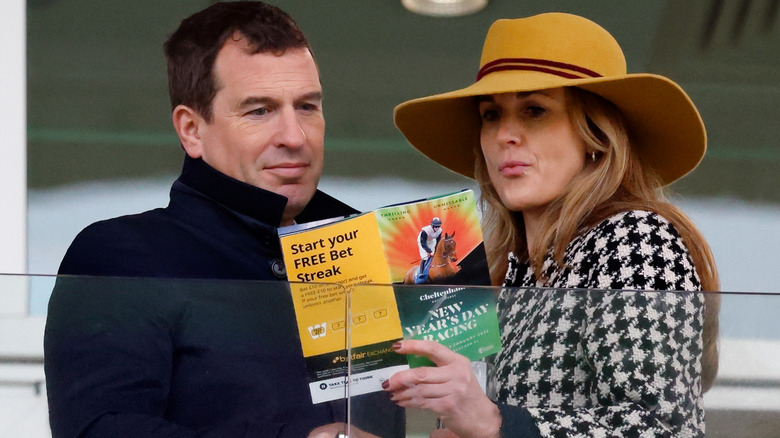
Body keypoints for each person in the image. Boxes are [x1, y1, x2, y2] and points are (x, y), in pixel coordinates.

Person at [44, 2, 400, 437]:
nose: (295, 137)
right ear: (191, 130)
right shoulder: (121, 255)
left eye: (307, 106)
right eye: (259, 110)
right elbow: (100, 431)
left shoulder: (366, 256)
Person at [386, 12, 720, 438]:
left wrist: (493, 422)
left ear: (596, 136)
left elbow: (661, 430)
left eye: (535, 110)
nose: (506, 133)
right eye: (491, 115)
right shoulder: (509, 273)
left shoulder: (634, 238)